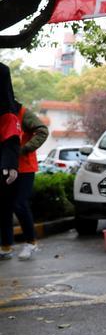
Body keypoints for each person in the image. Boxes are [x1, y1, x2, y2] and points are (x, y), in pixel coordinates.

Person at [1, 100, 49, 260]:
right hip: (6, 167)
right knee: (5, 206)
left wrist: (23, 149)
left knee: (19, 204)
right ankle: (6, 246)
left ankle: (31, 242)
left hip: (25, 168)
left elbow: (42, 131)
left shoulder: (22, 112)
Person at [0, 63, 22, 260]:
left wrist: (10, 165)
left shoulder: (10, 113)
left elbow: (11, 139)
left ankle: (6, 246)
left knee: (5, 209)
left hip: (5, 169)